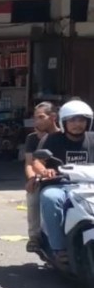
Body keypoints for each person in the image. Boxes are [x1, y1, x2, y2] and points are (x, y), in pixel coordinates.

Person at [34, 99, 94, 265]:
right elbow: (37, 162)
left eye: (81, 120)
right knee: (50, 198)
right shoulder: (52, 139)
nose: (77, 124)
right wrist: (44, 171)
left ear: (88, 122)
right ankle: (58, 248)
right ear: (63, 122)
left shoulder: (93, 139)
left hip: (88, 186)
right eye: (72, 120)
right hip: (60, 185)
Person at [24, 102, 59, 252]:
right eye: (35, 118)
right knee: (33, 196)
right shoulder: (33, 139)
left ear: (53, 117)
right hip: (44, 178)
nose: (37, 121)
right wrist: (33, 178)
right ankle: (34, 237)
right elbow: (30, 163)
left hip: (69, 180)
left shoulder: (64, 135)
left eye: (41, 117)